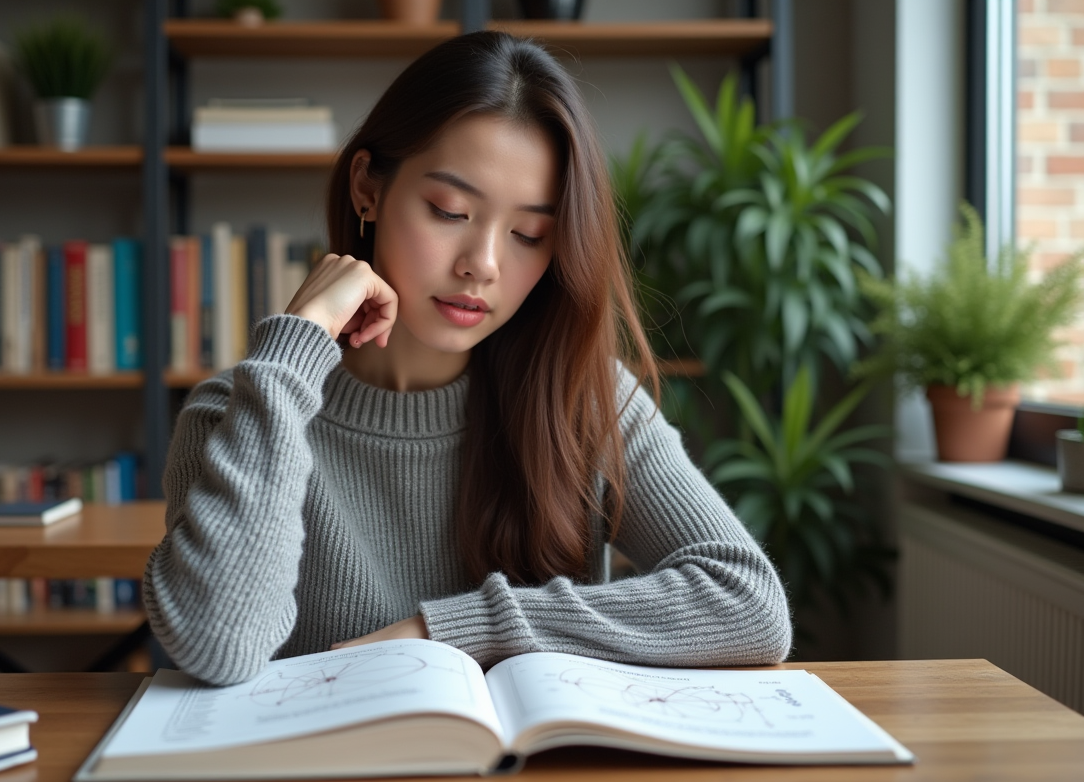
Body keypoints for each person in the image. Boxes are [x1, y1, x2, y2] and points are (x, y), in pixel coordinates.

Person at [143, 31, 791, 687]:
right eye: (449, 211)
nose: (482, 264)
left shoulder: (585, 399)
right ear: (368, 188)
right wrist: (295, 350)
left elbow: (749, 604)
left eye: (529, 234)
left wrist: (454, 631)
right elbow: (214, 646)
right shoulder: (242, 411)